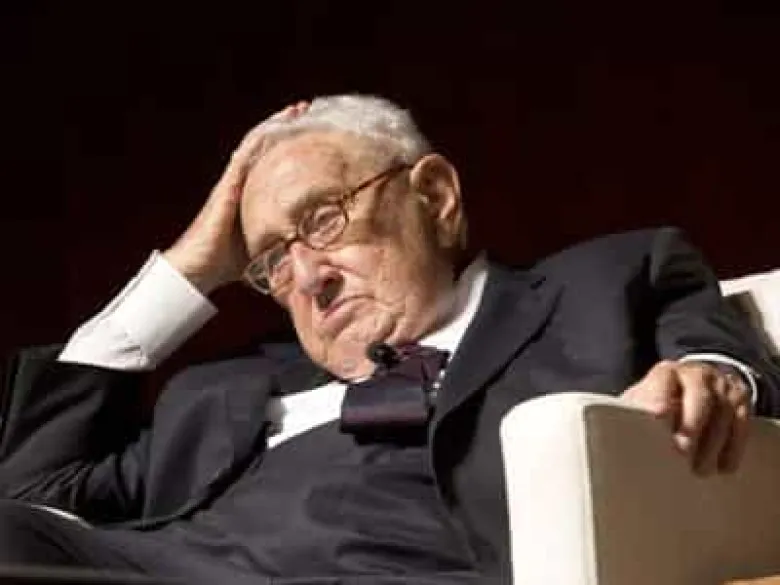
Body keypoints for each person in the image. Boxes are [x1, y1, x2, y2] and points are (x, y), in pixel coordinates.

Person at [0, 95, 777, 585]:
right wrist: (190, 267)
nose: (307, 276)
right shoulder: (223, 391)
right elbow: (28, 493)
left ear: (435, 197)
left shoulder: (607, 283)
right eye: (271, 260)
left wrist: (708, 379)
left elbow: (723, 365)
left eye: (322, 220)